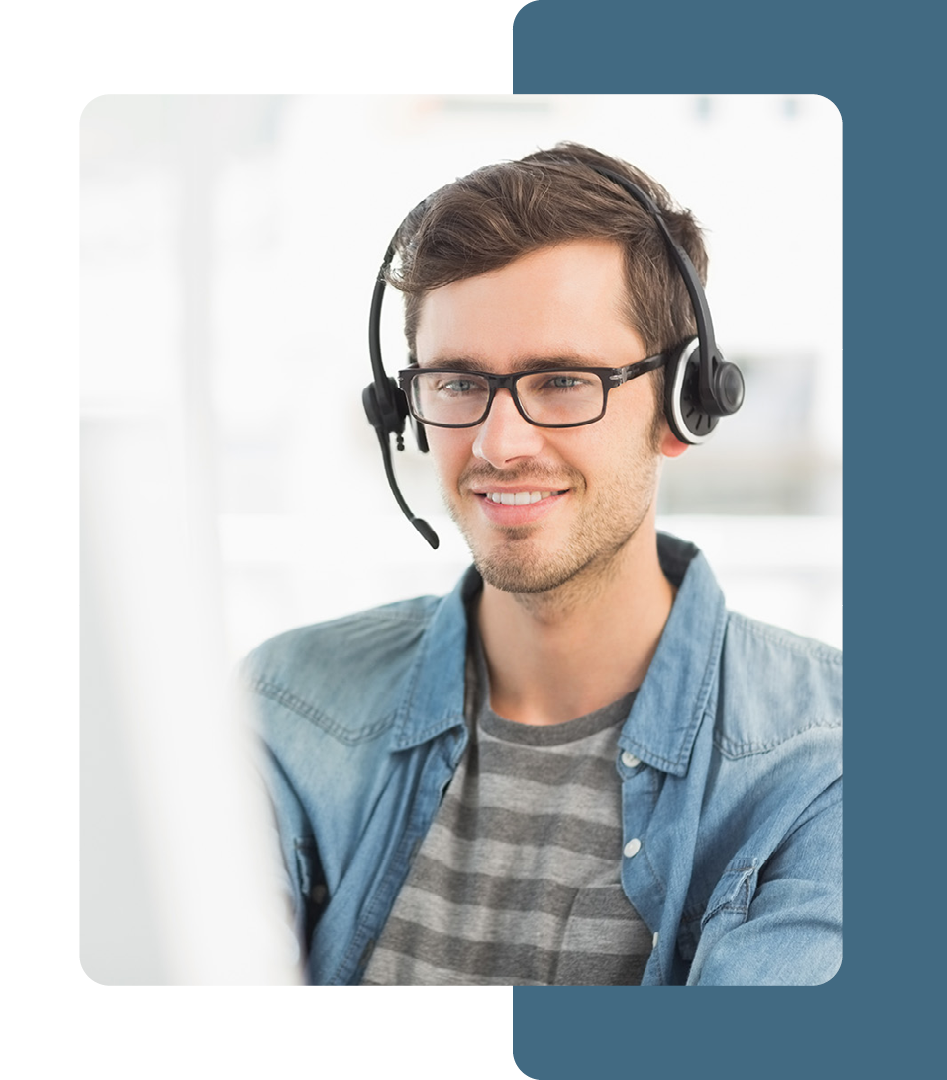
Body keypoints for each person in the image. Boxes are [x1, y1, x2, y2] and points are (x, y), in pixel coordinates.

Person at [242, 143, 842, 986]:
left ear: (683, 405)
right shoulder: (283, 705)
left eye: (562, 379)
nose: (497, 444)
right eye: (456, 382)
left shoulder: (829, 760)